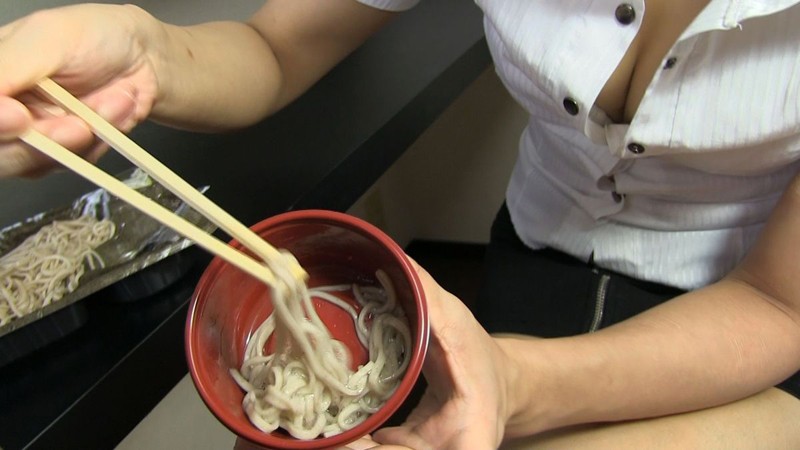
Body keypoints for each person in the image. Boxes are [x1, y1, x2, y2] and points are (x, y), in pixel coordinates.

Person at [2, 1, 800, 448]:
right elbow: (273, 49)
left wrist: (515, 385)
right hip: (533, 254)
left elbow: (778, 305)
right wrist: (143, 55)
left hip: (734, 320)